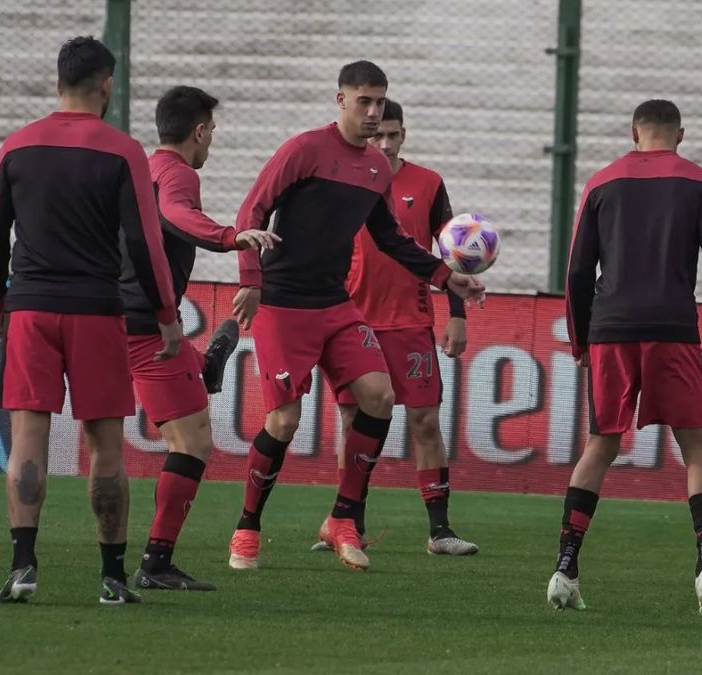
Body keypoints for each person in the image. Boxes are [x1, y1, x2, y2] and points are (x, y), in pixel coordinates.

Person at [226, 61, 485, 572]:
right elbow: (251, 212)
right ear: (341, 100)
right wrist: (251, 281)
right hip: (283, 302)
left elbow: (391, 238)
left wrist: (446, 277)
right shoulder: (304, 149)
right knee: (284, 420)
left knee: (380, 396)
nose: (372, 112)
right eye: (364, 101)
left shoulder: (375, 168)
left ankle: (344, 517)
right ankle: (247, 526)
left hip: (334, 303)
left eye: (379, 102)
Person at [0, 36, 181, 605]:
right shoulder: (123, 151)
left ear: (58, 83)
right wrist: (166, 315)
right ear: (107, 85)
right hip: (96, 311)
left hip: (31, 308)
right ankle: (112, 578)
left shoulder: (18, 145)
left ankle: (23, 566)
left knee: (28, 439)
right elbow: (144, 242)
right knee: (106, 447)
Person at [547, 99, 702, 617]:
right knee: (696, 449)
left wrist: (580, 341)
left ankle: (565, 568)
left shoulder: (601, 182)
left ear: (633, 133)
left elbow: (576, 272)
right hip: (673, 328)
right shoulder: (701, 182)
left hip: (610, 329)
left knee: (600, 446)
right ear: (680, 134)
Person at [122, 85, 281, 591]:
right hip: (145, 325)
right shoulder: (178, 173)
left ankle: (205, 365)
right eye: (211, 130)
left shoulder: (138, 169)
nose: (212, 138)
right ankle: (156, 563)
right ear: (198, 131)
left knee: (142, 438)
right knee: (192, 443)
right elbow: (176, 214)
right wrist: (230, 236)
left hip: (108, 316)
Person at [308, 100, 479, 556]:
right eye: (378, 135)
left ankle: (440, 531)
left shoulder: (428, 183)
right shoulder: (344, 178)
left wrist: (457, 315)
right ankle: (348, 524)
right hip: (352, 321)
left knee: (425, 421)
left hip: (410, 322)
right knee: (351, 421)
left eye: (393, 135)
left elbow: (451, 253)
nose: (385, 143)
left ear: (404, 135)